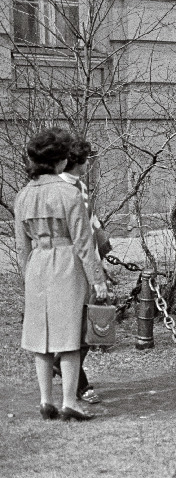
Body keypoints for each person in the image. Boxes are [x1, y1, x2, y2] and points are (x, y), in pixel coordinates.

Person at [15, 128, 109, 421]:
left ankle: (46, 402)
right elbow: (84, 242)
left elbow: (21, 246)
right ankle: (70, 402)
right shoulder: (69, 193)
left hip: (37, 264)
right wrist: (98, 279)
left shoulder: (23, 196)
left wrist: (27, 276)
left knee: (40, 338)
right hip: (67, 264)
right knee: (69, 336)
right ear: (60, 161)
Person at [53, 138, 109, 405]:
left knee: (87, 325)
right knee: (77, 324)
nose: (89, 164)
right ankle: (78, 382)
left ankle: (64, 367)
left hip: (89, 258)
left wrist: (102, 242)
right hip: (72, 262)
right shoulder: (61, 186)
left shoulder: (81, 185)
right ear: (75, 162)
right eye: (86, 160)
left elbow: (90, 219)